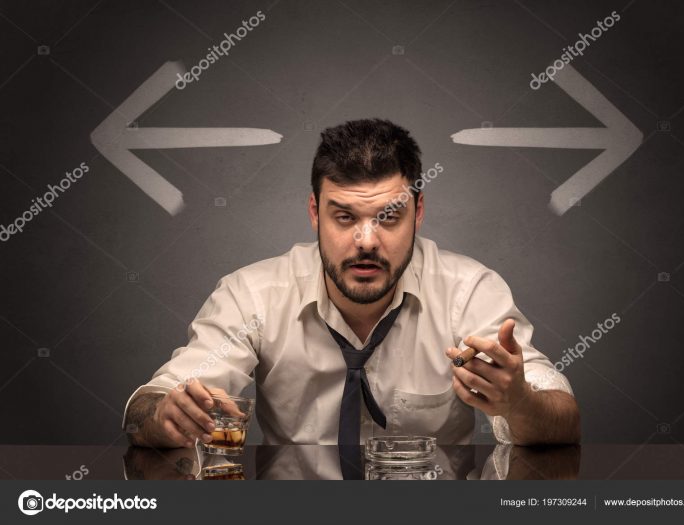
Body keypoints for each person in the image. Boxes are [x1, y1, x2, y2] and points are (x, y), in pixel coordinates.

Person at [122, 118, 580, 450]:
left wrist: (518, 401)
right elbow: (150, 405)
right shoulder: (252, 295)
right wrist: (164, 417)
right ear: (314, 213)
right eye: (344, 217)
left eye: (389, 217)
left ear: (418, 213)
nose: (366, 241)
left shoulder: (469, 291)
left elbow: (562, 419)